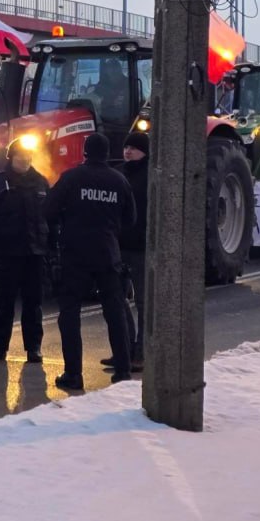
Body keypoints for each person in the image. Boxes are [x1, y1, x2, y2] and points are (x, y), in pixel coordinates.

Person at [44, 132, 135, 390]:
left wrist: (64, 226)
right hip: (108, 254)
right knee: (115, 312)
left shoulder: (72, 178)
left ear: (85, 151)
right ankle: (123, 370)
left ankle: (74, 374)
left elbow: (48, 211)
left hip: (75, 254)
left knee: (70, 314)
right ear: (107, 153)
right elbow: (131, 219)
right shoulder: (119, 180)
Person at [0, 139, 49, 364]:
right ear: (11, 158)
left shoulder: (41, 183)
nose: (25, 162)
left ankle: (34, 348)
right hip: (7, 253)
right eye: (20, 158)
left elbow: (52, 217)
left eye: (28, 158)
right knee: (5, 303)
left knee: (33, 304)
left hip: (35, 253)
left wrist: (52, 247)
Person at [110, 132, 149, 372]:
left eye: (134, 148)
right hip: (118, 245)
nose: (128, 151)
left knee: (144, 302)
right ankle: (124, 348)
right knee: (117, 299)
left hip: (142, 247)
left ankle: (142, 352)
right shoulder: (119, 174)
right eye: (126, 147)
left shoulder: (151, 176)